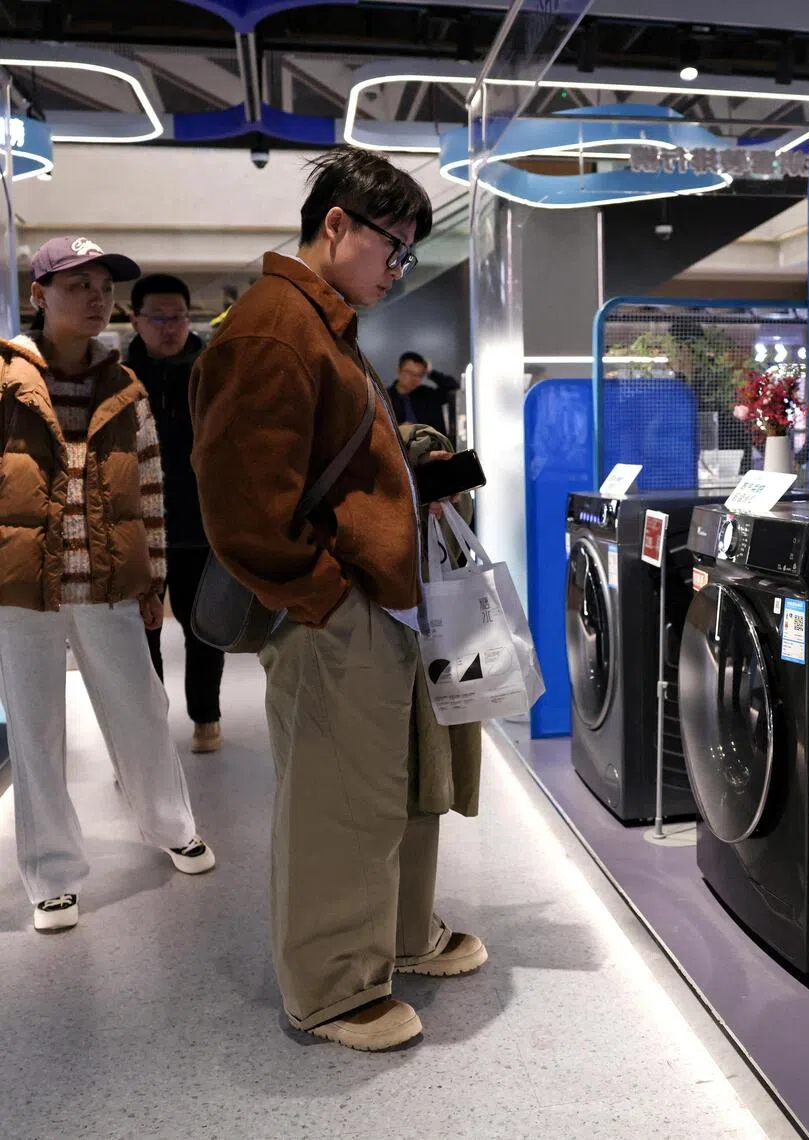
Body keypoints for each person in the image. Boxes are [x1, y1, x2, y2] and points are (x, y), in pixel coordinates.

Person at [190, 149, 485, 1053]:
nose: (398, 274)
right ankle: (329, 987)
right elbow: (242, 504)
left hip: (376, 598)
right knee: (337, 799)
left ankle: (393, 938)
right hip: (336, 607)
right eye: (395, 251)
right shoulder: (275, 328)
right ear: (336, 227)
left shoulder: (322, 323)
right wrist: (324, 597)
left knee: (391, 785)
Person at [0, 237, 215, 933]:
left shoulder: (125, 388)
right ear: (39, 296)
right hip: (21, 589)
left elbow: (148, 487)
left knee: (142, 711)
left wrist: (152, 577)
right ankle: (52, 874)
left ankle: (171, 824)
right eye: (77, 285)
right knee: (36, 734)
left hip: (109, 585)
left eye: (103, 285)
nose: (96, 297)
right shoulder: (4, 379)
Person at [128, 273, 225, 754]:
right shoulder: (117, 377)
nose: (170, 327)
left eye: (179, 317)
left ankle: (206, 716)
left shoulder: (213, 372)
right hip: (136, 530)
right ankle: (147, 729)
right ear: (135, 319)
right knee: (139, 634)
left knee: (203, 626)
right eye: (159, 317)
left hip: (200, 525)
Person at [388, 351, 460, 437]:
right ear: (399, 371)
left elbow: (453, 387)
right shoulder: (386, 398)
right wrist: (399, 428)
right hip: (399, 446)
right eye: (410, 373)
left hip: (433, 446)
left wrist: (431, 372)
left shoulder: (428, 395)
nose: (415, 379)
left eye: (419, 375)